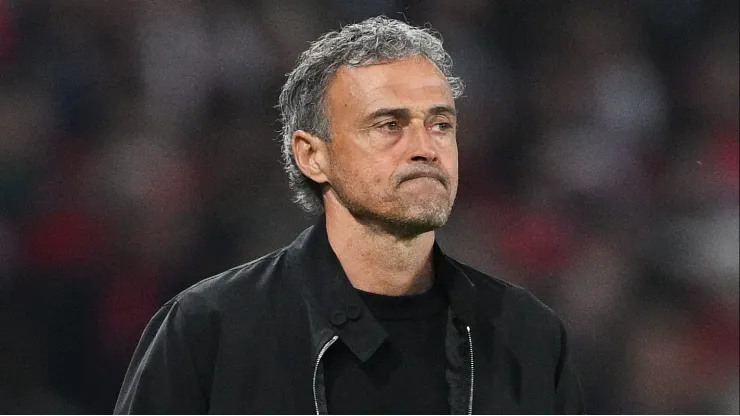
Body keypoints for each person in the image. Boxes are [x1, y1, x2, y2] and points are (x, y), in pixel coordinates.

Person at [114, 16, 584, 414]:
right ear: (312, 155)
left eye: (441, 124)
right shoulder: (207, 332)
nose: (425, 148)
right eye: (388, 125)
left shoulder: (529, 337)